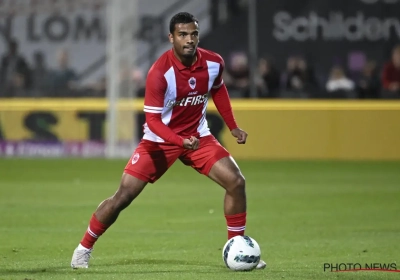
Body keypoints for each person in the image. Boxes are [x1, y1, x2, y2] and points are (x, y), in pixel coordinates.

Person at [70, 12, 266, 270]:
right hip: (159, 142)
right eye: (183, 35)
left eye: (194, 34)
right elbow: (152, 122)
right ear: (171, 37)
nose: (189, 40)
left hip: (198, 137)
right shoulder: (160, 73)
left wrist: (233, 126)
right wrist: (178, 140)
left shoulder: (214, 63)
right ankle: (84, 248)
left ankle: (237, 251)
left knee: (236, 182)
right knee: (123, 196)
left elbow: (218, 89)